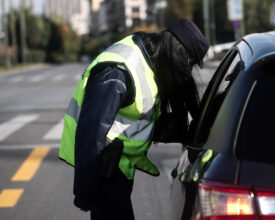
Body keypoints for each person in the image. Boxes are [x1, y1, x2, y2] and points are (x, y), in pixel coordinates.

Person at [59, 18, 209, 219]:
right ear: (178, 52)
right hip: (103, 167)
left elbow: (138, 117)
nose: (188, 69)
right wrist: (84, 190)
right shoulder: (119, 71)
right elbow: (91, 130)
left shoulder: (151, 60)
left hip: (117, 166)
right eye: (190, 61)